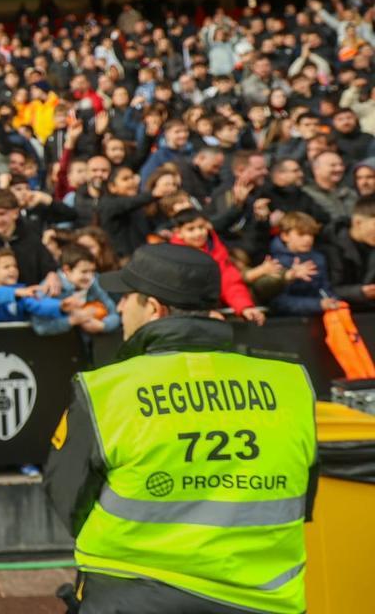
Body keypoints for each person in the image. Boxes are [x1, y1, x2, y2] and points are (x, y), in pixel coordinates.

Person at [44, 243, 316, 614]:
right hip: (263, 599)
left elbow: (68, 498)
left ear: (154, 309)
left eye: (126, 298)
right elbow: (304, 495)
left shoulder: (106, 389)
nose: (120, 308)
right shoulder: (290, 383)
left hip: (130, 595)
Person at [168, 209, 266, 324]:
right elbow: (179, 295)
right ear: (178, 232)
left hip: (214, 310)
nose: (198, 233)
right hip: (185, 318)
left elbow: (229, 282)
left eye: (201, 227)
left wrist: (245, 307)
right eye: (191, 229)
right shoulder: (173, 257)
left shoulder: (216, 250)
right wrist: (204, 314)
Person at [32, 244, 120, 336]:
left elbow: (114, 314)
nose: (90, 277)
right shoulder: (48, 288)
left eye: (92, 271)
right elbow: (40, 327)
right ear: (67, 270)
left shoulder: (94, 283)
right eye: (84, 272)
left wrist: (103, 326)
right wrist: (72, 320)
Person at [268, 212, 340, 316]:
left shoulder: (318, 258)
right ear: (285, 236)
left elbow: (325, 289)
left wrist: (332, 301)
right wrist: (318, 305)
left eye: (311, 234)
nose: (308, 239)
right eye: (301, 234)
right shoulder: (274, 262)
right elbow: (278, 301)